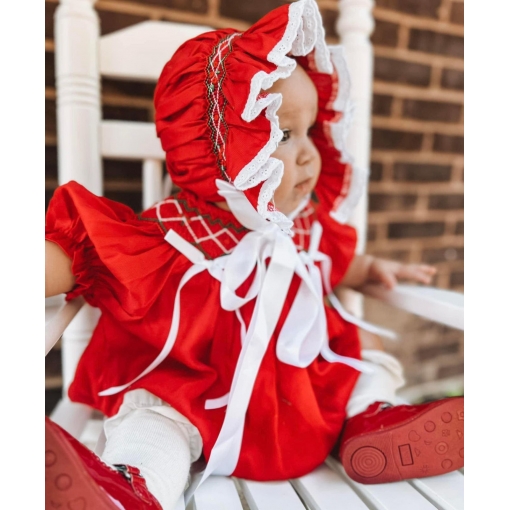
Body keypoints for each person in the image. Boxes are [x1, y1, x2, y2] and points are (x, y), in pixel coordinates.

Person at [45, 1, 464, 508]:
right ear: (215, 150)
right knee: (155, 423)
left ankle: (372, 426)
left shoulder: (304, 227)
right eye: (282, 134)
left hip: (304, 396)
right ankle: (132, 488)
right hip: (195, 395)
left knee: (359, 372)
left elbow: (336, 262)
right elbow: (84, 254)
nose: (310, 153)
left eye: (311, 130)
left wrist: (374, 269)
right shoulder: (173, 233)